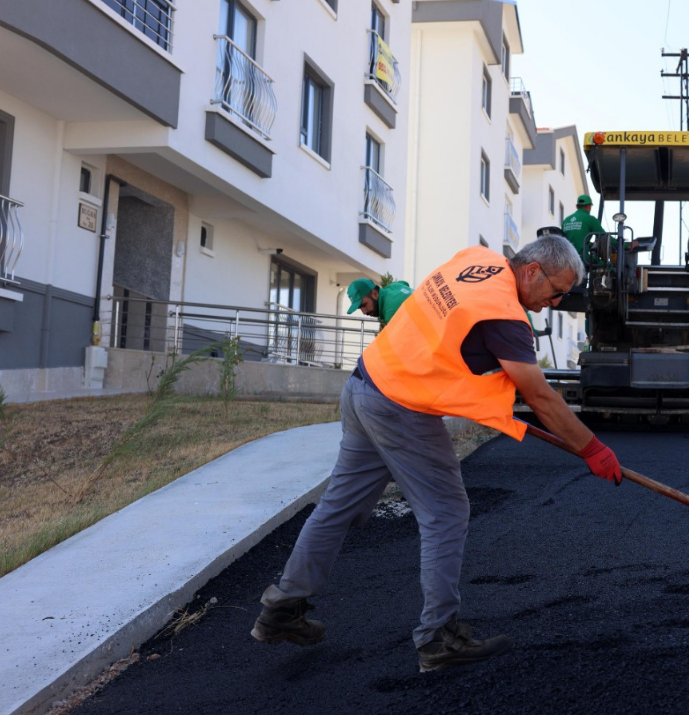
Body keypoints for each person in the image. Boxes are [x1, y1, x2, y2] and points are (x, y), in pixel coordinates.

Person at [250, 237, 622, 673]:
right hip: (398, 406)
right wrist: (592, 449)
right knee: (446, 512)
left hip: (364, 384)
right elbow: (539, 394)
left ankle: (282, 607)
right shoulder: (505, 313)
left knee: (338, 505)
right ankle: (438, 638)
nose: (553, 304)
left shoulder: (478, 260)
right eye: (555, 292)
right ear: (533, 271)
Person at [347, 277, 413, 328]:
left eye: (364, 305)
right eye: (360, 308)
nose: (364, 312)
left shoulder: (391, 311)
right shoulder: (393, 287)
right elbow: (404, 283)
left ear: (375, 294)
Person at [560, 194, 604, 259]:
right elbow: (604, 237)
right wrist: (620, 243)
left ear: (577, 206)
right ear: (589, 206)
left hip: (567, 259)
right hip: (582, 259)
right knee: (606, 265)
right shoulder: (590, 219)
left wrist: (590, 244)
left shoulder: (566, 220)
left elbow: (573, 238)